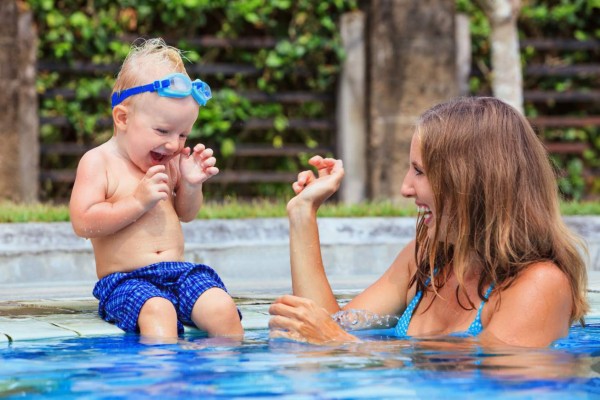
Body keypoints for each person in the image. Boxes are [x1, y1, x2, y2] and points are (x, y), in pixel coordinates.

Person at [268, 96, 589, 348]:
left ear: (474, 181)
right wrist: (303, 215)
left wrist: (340, 343)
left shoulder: (539, 284)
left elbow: (489, 381)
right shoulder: (425, 260)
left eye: (420, 172)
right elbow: (329, 326)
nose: (406, 188)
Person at [69, 38, 243, 339]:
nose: (174, 144)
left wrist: (190, 184)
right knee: (158, 310)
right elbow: (83, 223)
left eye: (183, 134)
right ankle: (161, 376)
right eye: (163, 131)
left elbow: (186, 214)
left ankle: (214, 372)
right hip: (126, 280)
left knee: (221, 306)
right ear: (123, 118)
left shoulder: (171, 161)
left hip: (178, 273)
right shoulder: (99, 162)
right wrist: (136, 202)